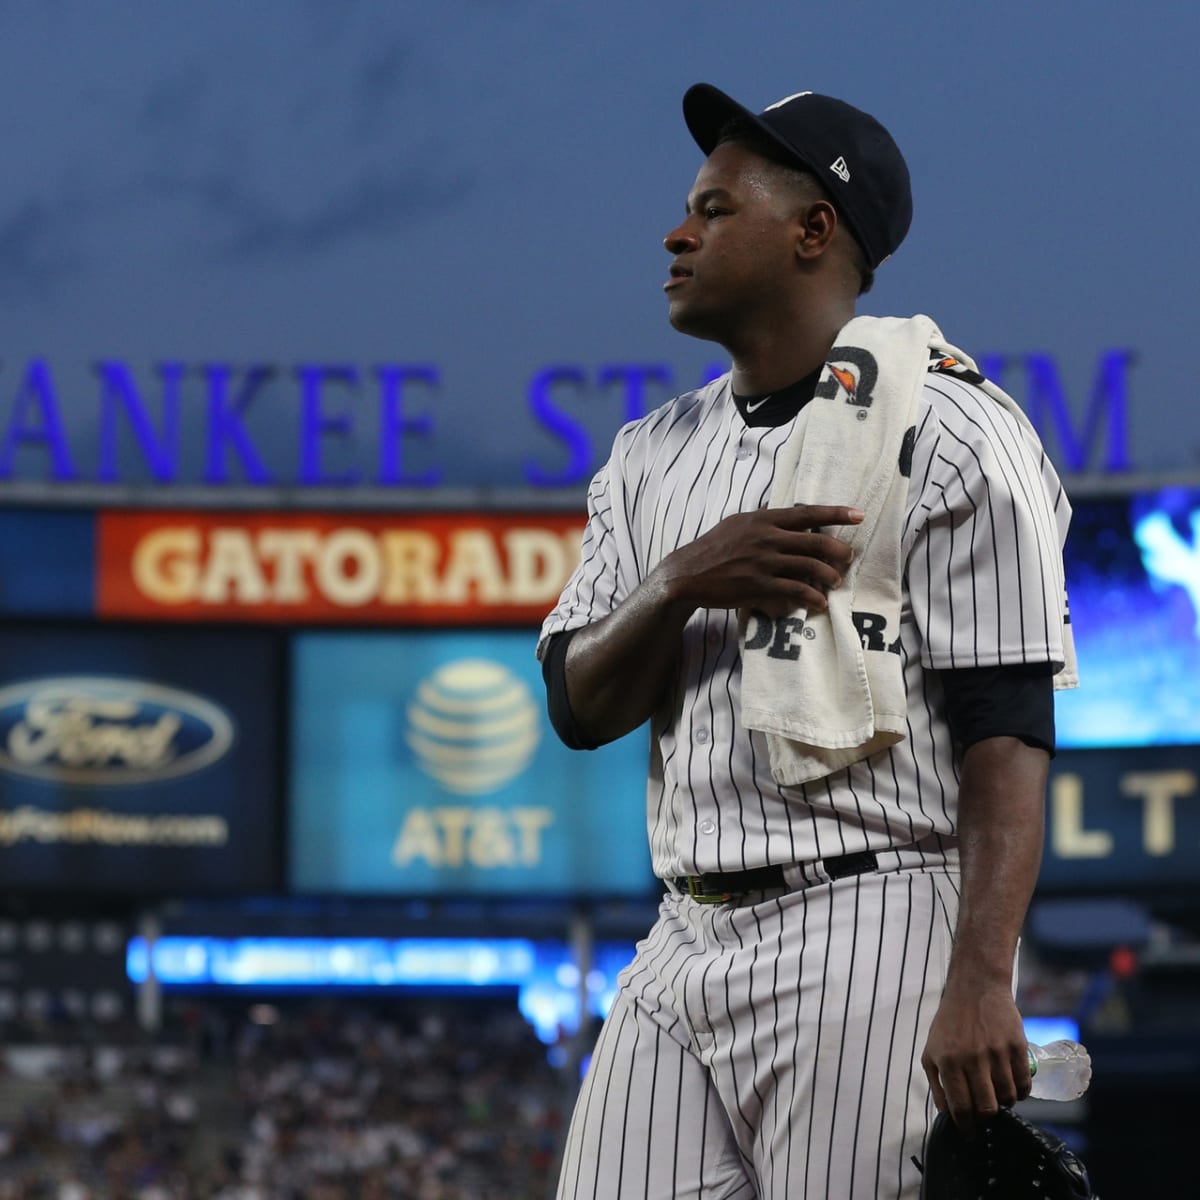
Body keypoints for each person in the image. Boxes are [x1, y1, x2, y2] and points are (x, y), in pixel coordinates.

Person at [537, 82, 1075, 1200]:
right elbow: (578, 705)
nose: (677, 232)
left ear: (813, 230)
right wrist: (686, 578)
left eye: (715, 207)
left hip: (872, 921)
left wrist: (983, 975)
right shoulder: (650, 454)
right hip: (681, 932)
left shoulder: (958, 432)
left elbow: (1007, 731)